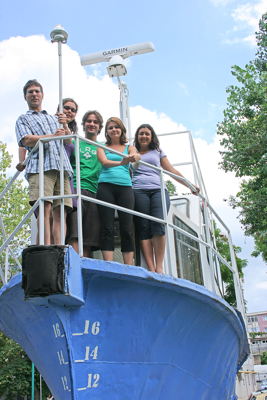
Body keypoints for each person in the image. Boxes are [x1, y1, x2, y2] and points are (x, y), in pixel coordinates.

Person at [132, 123, 199, 274]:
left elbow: (171, 170)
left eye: (147, 134)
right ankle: (150, 267)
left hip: (158, 190)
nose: (144, 136)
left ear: (151, 137)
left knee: (159, 225)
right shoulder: (132, 151)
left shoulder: (157, 151)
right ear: (137, 136)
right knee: (143, 228)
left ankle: (159, 266)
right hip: (138, 190)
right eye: (141, 133)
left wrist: (190, 185)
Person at [15, 79, 73, 245]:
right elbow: (26, 140)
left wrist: (65, 125)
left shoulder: (54, 118)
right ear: (25, 97)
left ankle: (60, 247)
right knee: (45, 208)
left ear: (42, 94)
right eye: (30, 92)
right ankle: (46, 246)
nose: (34, 94)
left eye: (37, 91)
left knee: (61, 210)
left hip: (61, 166)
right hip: (41, 166)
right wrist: (51, 136)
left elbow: (68, 141)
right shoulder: (23, 119)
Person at [96, 117, 139, 265]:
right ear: (107, 131)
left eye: (117, 127)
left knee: (127, 227)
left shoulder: (129, 147)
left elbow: (136, 155)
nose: (114, 130)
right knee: (107, 226)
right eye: (110, 127)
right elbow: (104, 162)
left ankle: (128, 265)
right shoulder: (101, 146)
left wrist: (134, 157)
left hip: (125, 187)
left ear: (121, 130)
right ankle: (108, 263)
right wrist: (122, 162)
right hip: (105, 186)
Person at [67, 110, 103, 257]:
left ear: (100, 127)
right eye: (89, 121)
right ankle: (75, 265)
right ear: (83, 124)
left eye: (95, 122)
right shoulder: (75, 141)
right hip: (76, 188)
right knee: (75, 231)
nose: (92, 124)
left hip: (94, 191)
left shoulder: (103, 147)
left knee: (89, 236)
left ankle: (85, 269)